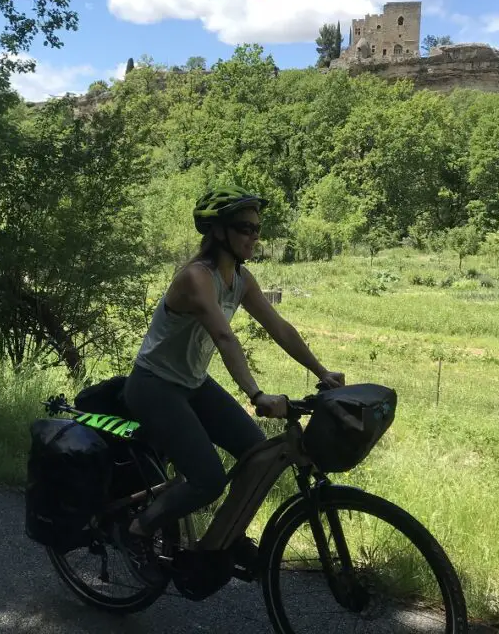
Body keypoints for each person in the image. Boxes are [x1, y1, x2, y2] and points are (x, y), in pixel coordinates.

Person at [119, 185, 345, 584]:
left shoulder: (240, 278)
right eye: (244, 228)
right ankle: (137, 531)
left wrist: (321, 371)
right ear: (218, 231)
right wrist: (255, 394)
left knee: (257, 453)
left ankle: (225, 537)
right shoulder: (195, 277)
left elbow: (279, 327)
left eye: (258, 229)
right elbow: (225, 337)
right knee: (207, 479)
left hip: (191, 383)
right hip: (154, 385)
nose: (253, 236)